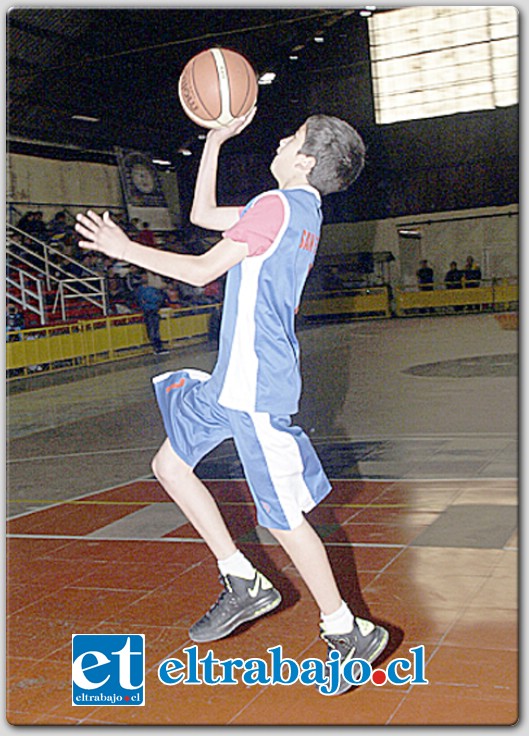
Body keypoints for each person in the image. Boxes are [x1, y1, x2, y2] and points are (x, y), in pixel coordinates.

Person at [75, 111, 389, 696]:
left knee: (286, 520)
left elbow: (199, 271)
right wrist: (214, 141)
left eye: (291, 138)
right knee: (169, 465)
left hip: (253, 385)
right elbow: (198, 216)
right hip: (232, 380)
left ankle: (347, 630)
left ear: (306, 161)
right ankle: (242, 578)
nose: (279, 140)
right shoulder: (302, 211)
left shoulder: (276, 204)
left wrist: (125, 247)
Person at [135, 271, 169, 354]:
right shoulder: (140, 290)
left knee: (156, 329)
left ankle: (159, 345)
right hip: (148, 311)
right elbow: (142, 301)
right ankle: (155, 346)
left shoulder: (152, 289)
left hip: (154, 310)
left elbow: (158, 298)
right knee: (152, 329)